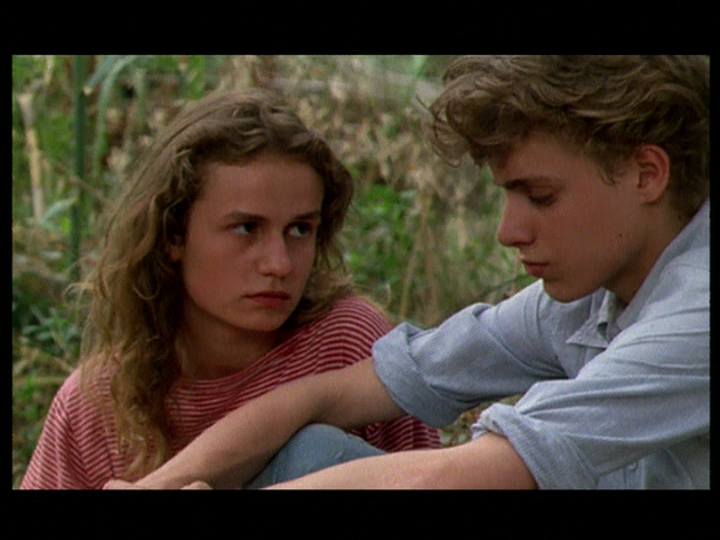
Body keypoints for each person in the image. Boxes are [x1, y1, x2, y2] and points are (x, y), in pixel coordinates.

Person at [105, 55, 709, 490]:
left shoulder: (698, 308)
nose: (509, 231)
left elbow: (453, 476)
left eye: (541, 197)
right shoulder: (586, 299)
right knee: (311, 448)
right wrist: (159, 485)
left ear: (646, 173)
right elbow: (319, 396)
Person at [20, 89, 441, 490]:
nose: (279, 263)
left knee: (314, 452)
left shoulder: (349, 343)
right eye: (246, 228)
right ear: (173, 235)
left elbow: (429, 476)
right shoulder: (100, 400)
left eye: (299, 230)